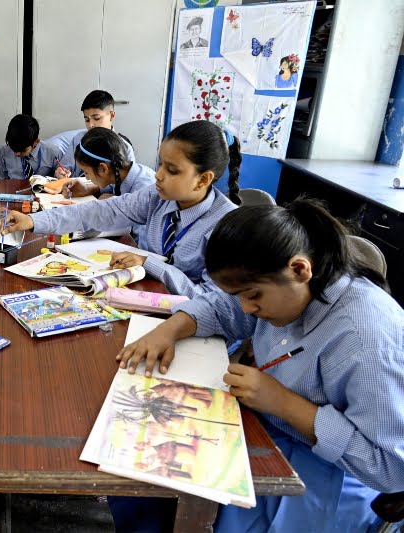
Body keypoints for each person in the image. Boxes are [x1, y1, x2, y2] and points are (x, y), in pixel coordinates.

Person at [116, 199, 404, 532]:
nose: (247, 308)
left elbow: (391, 468)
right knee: (142, 482)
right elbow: (223, 305)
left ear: (299, 269)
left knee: (181, 505)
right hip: (267, 427)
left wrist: (284, 403)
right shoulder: (287, 287)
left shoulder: (366, 338)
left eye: (252, 296)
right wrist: (169, 330)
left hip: (329, 472)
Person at [3, 120, 242, 298]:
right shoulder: (157, 196)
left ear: (203, 180)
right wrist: (34, 221)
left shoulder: (227, 228)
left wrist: (148, 263)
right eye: (160, 164)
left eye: (171, 170)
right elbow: (100, 212)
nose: (158, 175)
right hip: (147, 292)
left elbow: (213, 301)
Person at [55, 90, 136, 179]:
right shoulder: (78, 139)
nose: (91, 125)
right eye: (87, 120)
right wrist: (60, 172)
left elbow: (127, 181)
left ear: (111, 116)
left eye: (96, 118)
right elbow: (64, 167)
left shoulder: (125, 147)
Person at [0, 114, 61, 179]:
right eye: (13, 149)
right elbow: (1, 180)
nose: (17, 154)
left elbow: (60, 179)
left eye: (23, 150)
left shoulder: (53, 153)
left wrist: (59, 175)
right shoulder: (3, 152)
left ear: (36, 142)